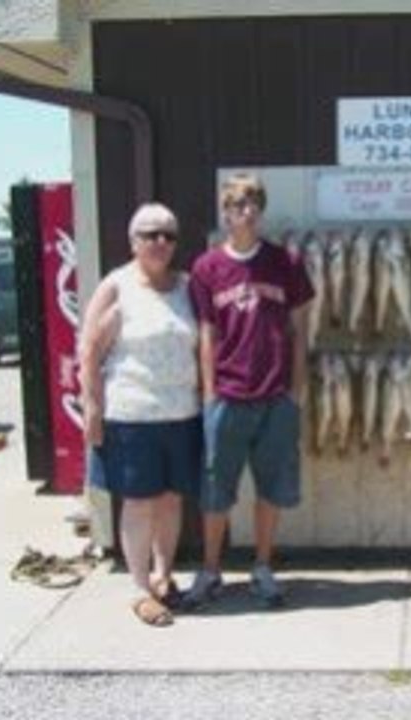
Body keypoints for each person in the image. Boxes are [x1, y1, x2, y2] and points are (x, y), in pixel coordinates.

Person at [184, 173, 313, 609]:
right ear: (225, 213)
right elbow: (206, 334)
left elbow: (300, 328)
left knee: (271, 489)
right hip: (227, 396)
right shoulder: (206, 268)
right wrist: (209, 394)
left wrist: (295, 391)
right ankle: (210, 570)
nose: (247, 210)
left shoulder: (286, 262)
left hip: (276, 396)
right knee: (216, 492)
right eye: (239, 204)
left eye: (254, 203)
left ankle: (262, 566)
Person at [80, 202, 201, 627]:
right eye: (151, 234)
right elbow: (90, 352)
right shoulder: (117, 286)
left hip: (182, 413)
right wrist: (92, 407)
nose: (161, 242)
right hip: (131, 415)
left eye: (169, 234)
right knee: (139, 503)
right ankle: (139, 589)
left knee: (171, 500)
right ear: (133, 241)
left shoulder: (188, 286)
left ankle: (164, 575)